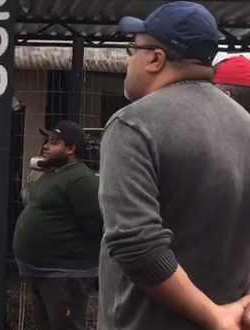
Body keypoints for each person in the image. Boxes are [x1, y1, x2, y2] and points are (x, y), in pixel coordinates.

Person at [99, 2, 250, 329]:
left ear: (155, 59)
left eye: (133, 49)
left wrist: (214, 318)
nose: (129, 60)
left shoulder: (133, 125)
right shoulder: (246, 126)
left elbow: (136, 244)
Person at [12, 120, 102, 330]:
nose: (46, 146)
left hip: (65, 274)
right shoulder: (53, 173)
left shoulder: (81, 179)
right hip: (42, 270)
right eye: (47, 142)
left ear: (70, 149)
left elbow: (97, 222)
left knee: (66, 326)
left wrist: (67, 247)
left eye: (54, 143)